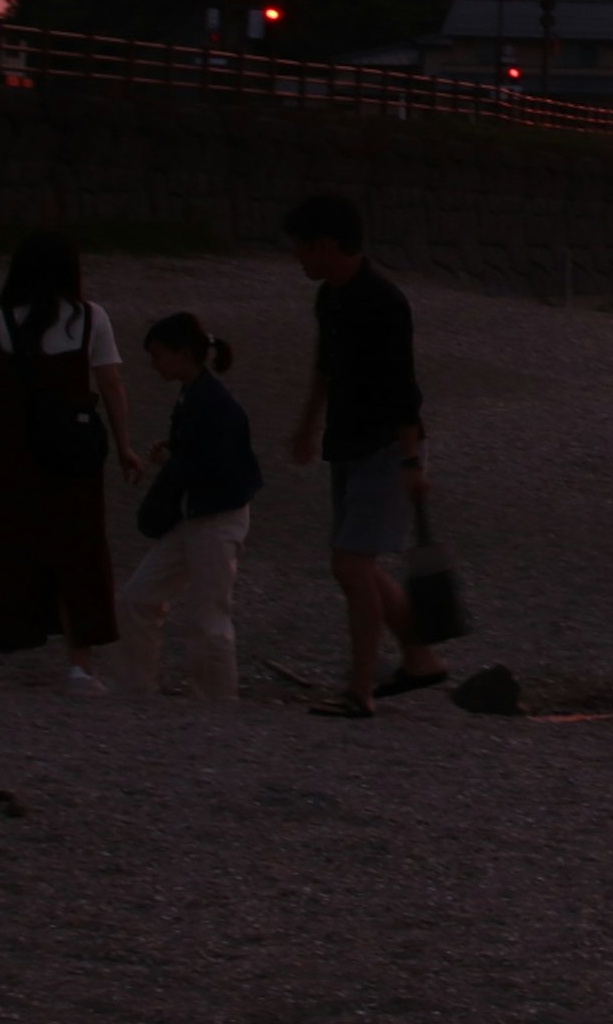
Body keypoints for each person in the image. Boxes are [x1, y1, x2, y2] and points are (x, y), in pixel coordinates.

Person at [0, 228, 141, 688]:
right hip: (73, 455)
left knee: (1, 550)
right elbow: (111, 383)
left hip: (11, 453)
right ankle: (80, 664)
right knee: (79, 552)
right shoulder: (92, 318)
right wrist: (125, 446)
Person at [281, 192, 444, 717]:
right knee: (359, 567)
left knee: (352, 566)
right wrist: (308, 426)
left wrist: (412, 461)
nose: (298, 258)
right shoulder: (329, 296)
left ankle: (359, 692)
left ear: (326, 245)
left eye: (302, 248)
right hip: (346, 444)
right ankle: (420, 658)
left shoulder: (384, 301)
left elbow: (405, 390)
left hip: (385, 448)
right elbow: (324, 366)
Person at [113, 312, 261, 703]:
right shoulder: (196, 396)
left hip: (217, 517)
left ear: (183, 354)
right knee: (137, 598)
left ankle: (215, 702)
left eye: (159, 357)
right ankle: (138, 688)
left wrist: (176, 462)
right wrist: (176, 455)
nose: (154, 365)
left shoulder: (212, 402)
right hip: (195, 515)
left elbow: (221, 466)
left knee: (209, 615)